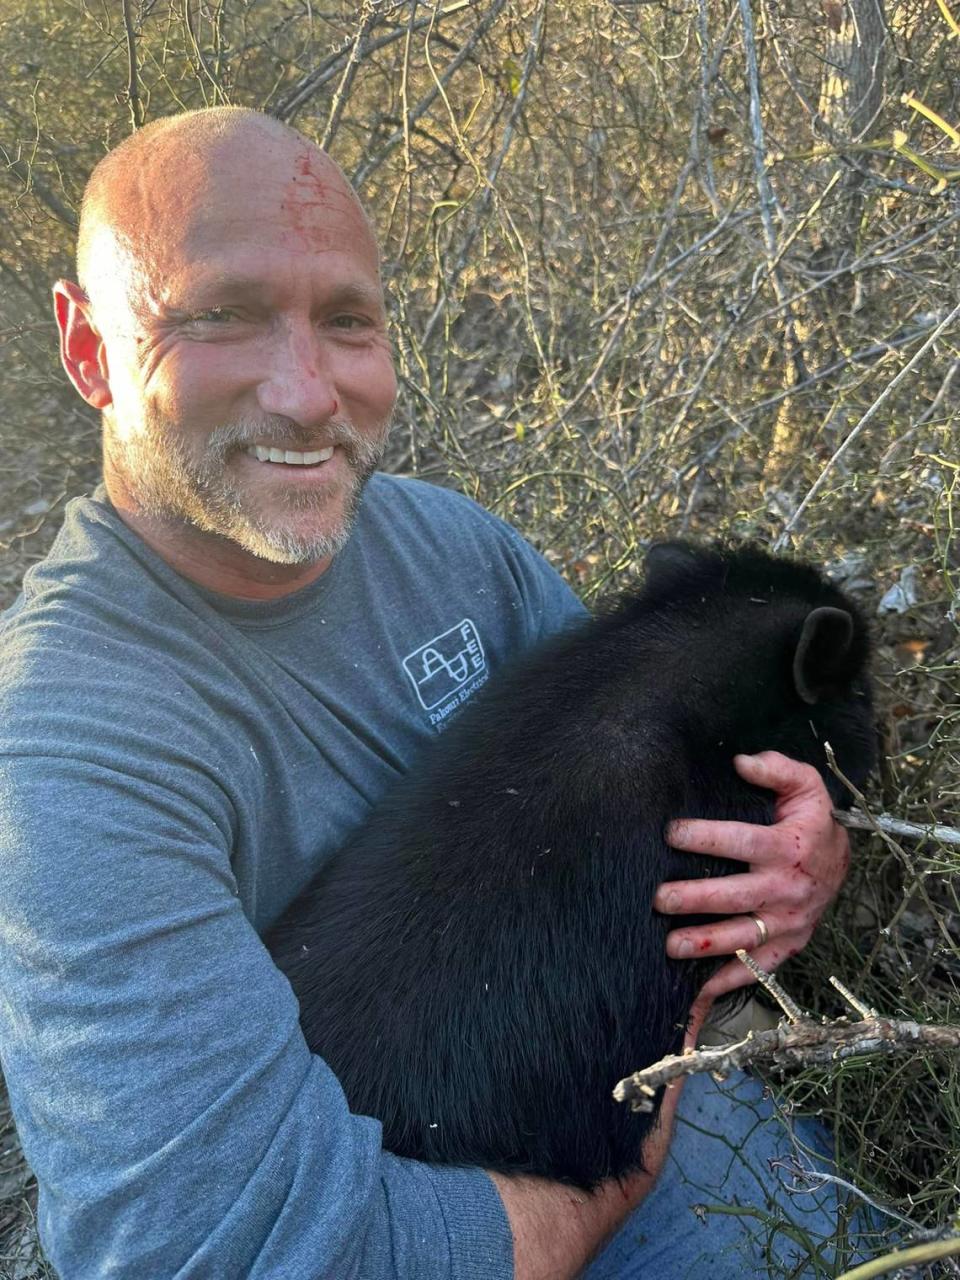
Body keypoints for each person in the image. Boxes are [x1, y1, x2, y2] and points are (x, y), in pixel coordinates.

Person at [0, 107, 862, 1279]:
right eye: (221, 315)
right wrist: (616, 1173)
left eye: (346, 320)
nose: (307, 393)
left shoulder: (452, 546)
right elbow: (216, 1252)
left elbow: (656, 802)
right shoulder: (64, 753)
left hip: (633, 1100)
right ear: (88, 347)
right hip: (465, 1212)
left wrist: (800, 856)